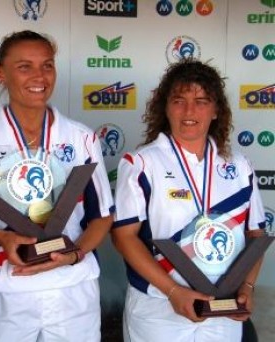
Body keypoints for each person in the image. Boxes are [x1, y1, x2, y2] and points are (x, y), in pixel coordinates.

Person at [0, 30, 114, 341]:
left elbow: (103, 215)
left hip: (73, 290)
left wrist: (75, 254)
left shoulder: (81, 139)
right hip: (4, 290)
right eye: (25, 66)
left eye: (47, 65)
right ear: (1, 73)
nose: (39, 76)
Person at [111, 58, 266, 342]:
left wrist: (247, 286)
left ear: (217, 109)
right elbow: (123, 237)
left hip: (222, 308)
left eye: (202, 101)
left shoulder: (239, 166)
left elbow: (255, 234)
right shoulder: (142, 163)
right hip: (158, 307)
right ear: (165, 107)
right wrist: (173, 290)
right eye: (179, 100)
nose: (189, 111)